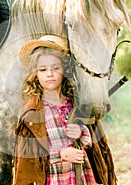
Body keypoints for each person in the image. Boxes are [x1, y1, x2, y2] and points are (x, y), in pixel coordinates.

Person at [14, 35, 97, 185]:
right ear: (35, 74)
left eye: (55, 68)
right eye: (43, 69)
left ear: (64, 70)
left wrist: (81, 133)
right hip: (55, 178)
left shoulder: (76, 104)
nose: (49, 74)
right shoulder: (32, 112)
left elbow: (93, 144)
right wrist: (61, 154)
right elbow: (30, 156)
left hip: (81, 177)